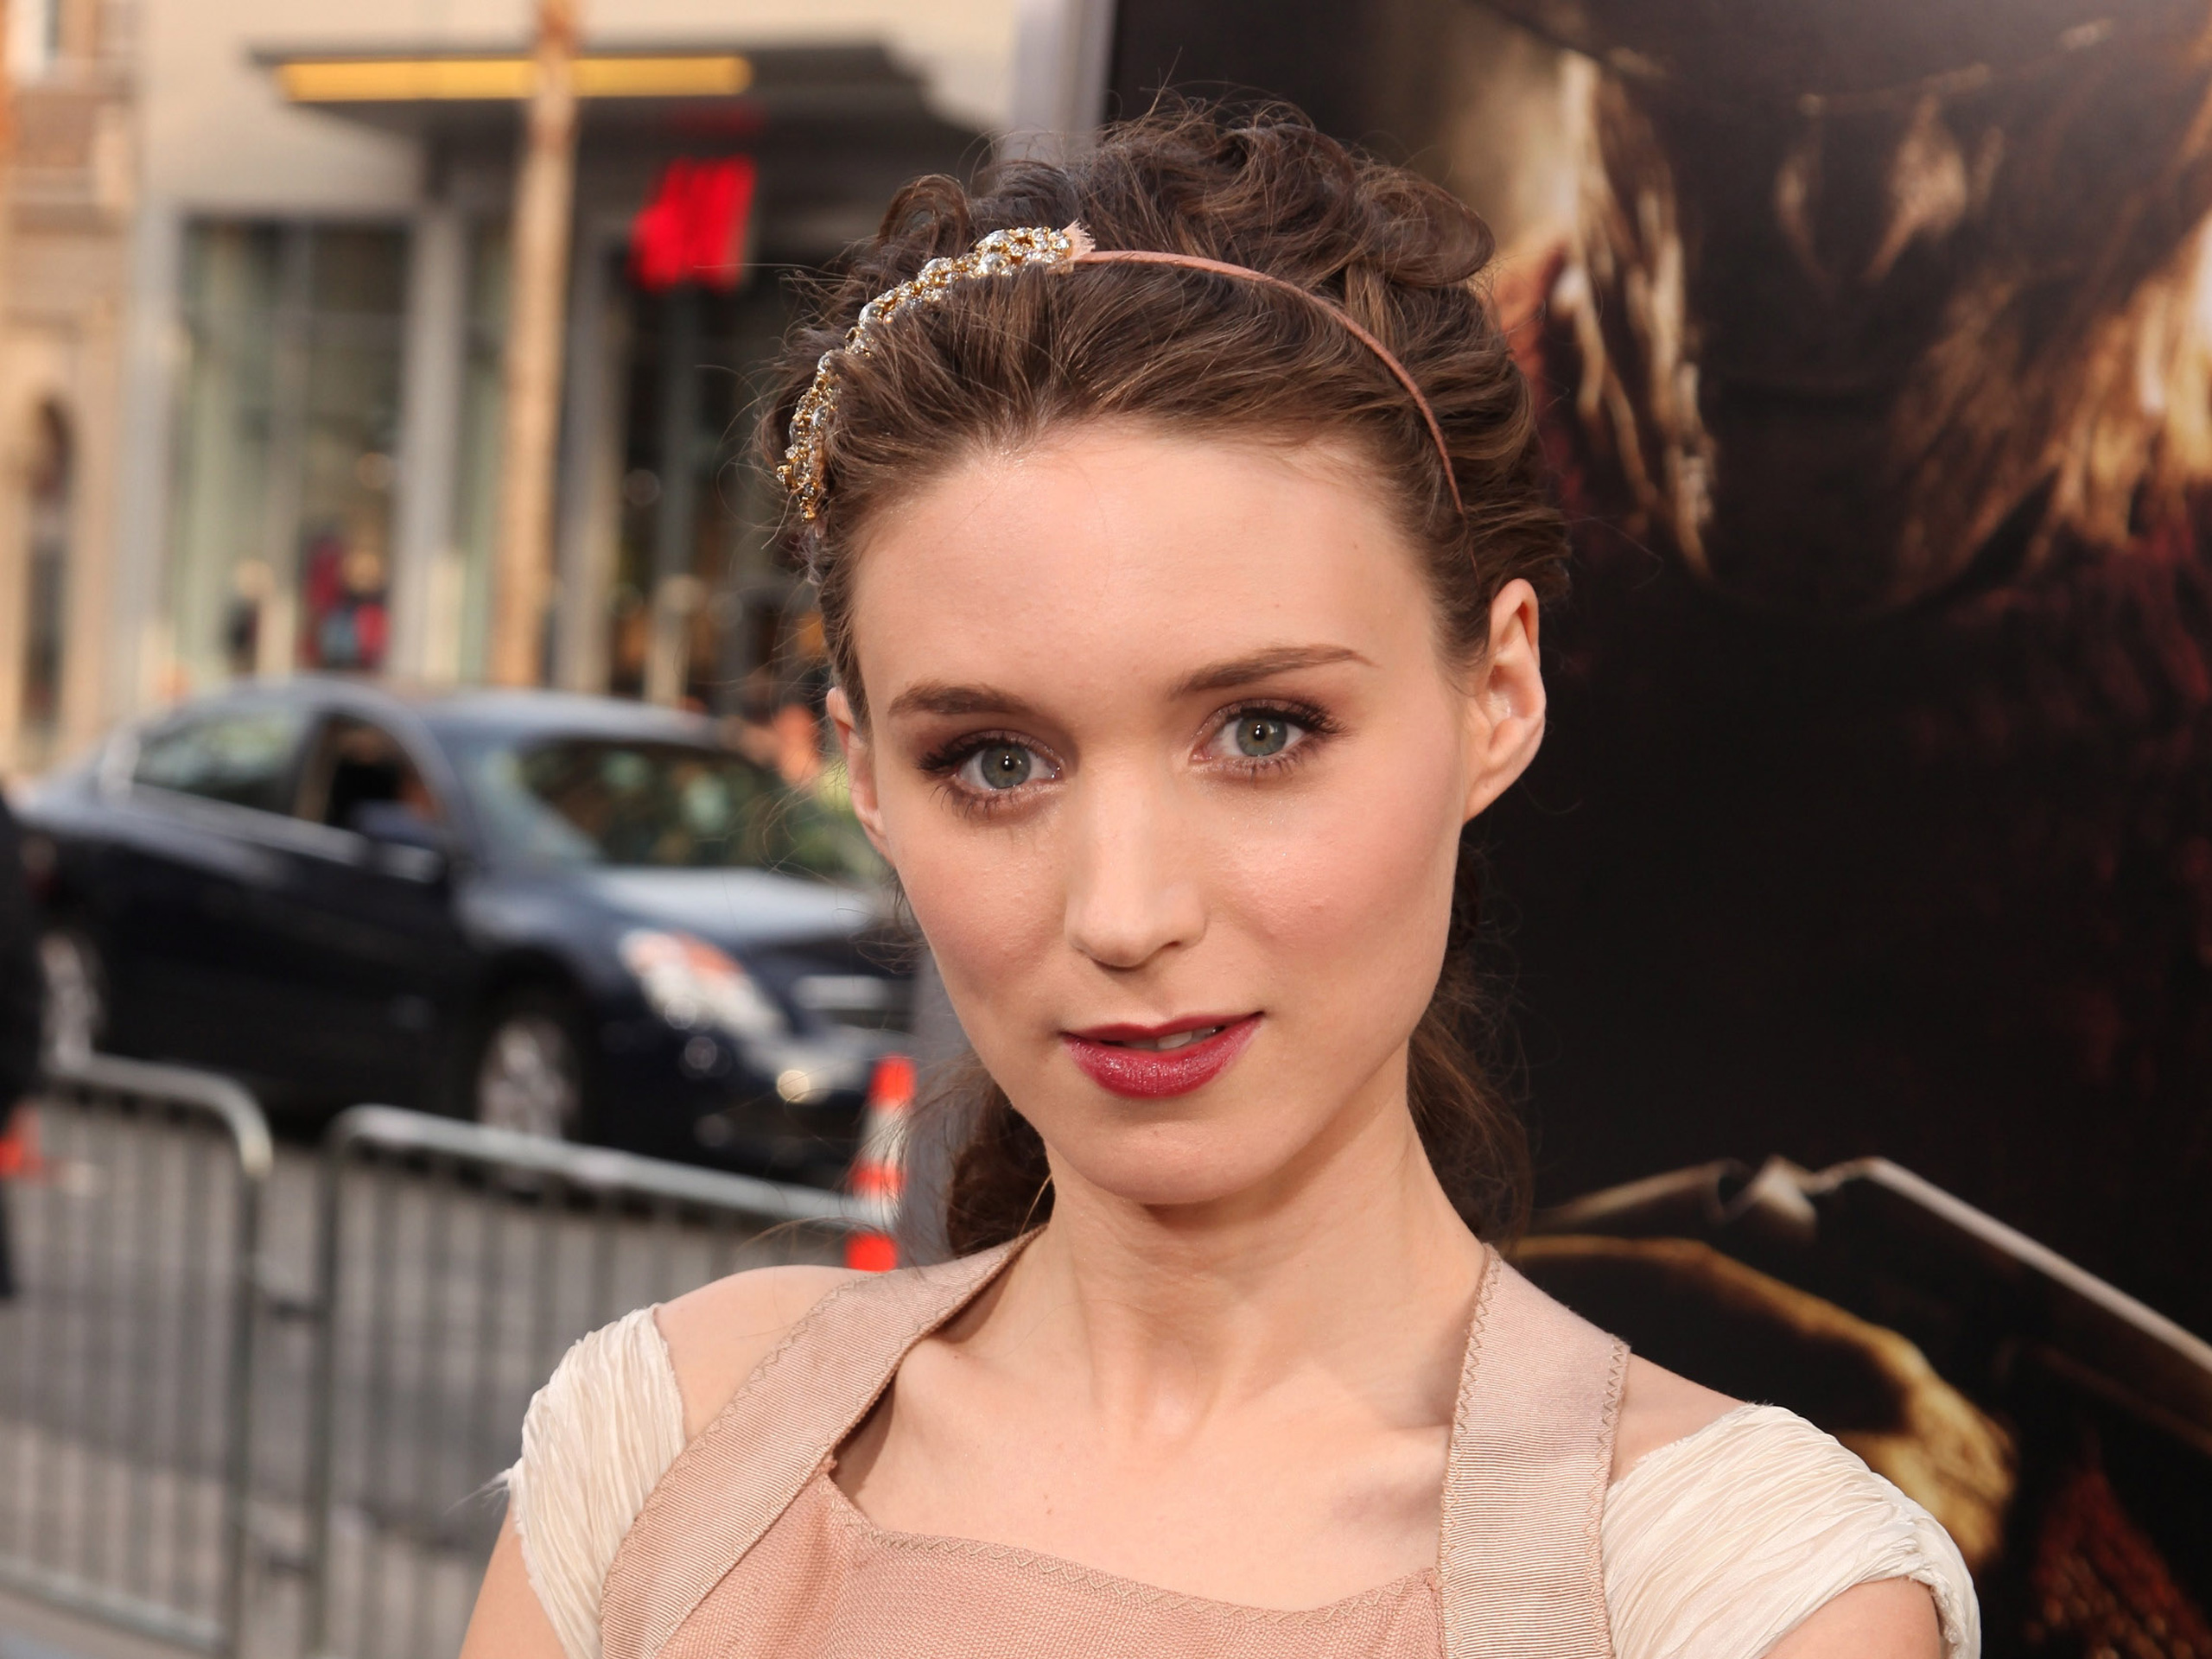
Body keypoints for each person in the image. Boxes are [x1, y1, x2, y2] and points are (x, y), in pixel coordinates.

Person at [460, 105, 1977, 1659]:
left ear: (1497, 694)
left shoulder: (1728, 1597)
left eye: (1263, 731)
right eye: (995, 761)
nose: (1125, 916)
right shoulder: (671, 1449)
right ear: (865, 775)